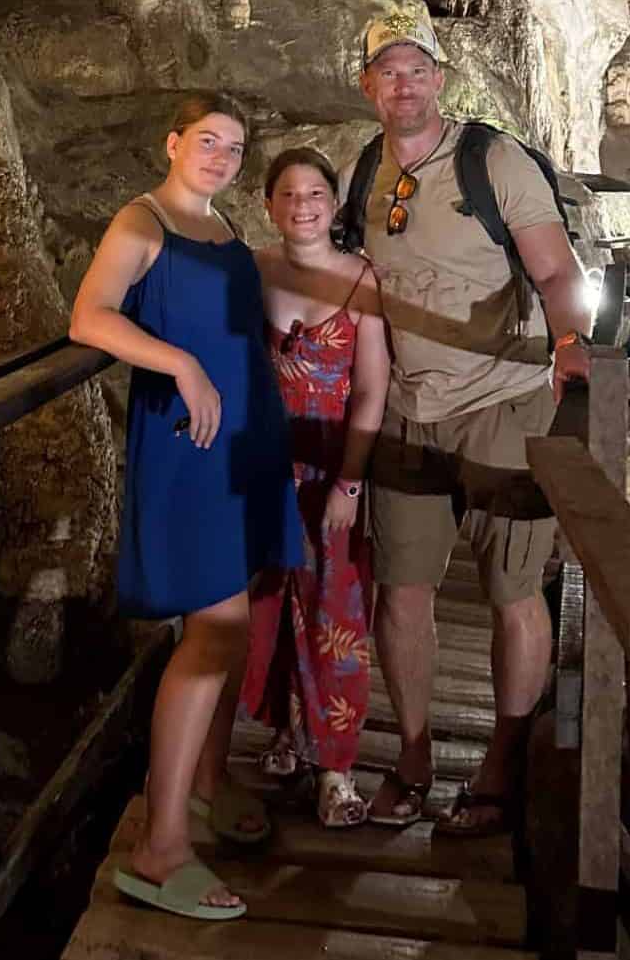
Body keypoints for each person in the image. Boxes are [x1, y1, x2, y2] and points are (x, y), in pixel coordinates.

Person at [347, 12, 593, 837]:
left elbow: (556, 268)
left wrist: (570, 343)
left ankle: (501, 764)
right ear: (367, 85)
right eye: (388, 72)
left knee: (512, 589)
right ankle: (413, 755)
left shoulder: (492, 160)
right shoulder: (366, 172)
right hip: (411, 409)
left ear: (440, 79)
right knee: (401, 591)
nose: (404, 84)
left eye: (417, 69)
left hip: (502, 399)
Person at [69, 92, 302, 921]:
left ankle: (206, 781)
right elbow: (89, 317)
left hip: (241, 442)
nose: (222, 158)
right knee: (217, 628)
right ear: (173, 141)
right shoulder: (143, 223)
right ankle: (161, 846)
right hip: (189, 444)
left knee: (229, 621)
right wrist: (180, 364)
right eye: (208, 142)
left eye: (236, 149)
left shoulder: (222, 226)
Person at [240, 147, 390, 827]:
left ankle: (337, 769)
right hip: (271, 465)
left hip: (332, 466)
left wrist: (350, 484)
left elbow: (371, 390)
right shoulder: (257, 270)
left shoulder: (361, 280)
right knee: (272, 604)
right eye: (288, 194)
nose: (302, 204)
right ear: (269, 206)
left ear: (334, 203)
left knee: (334, 613)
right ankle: (288, 733)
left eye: (315, 192)